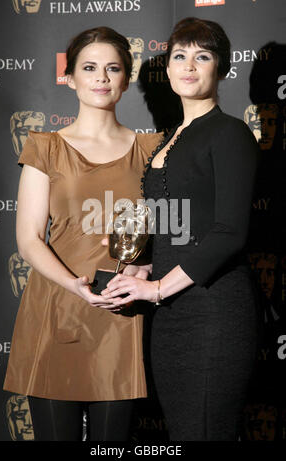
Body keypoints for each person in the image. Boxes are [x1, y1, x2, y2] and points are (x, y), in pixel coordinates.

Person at [102, 17, 260, 441]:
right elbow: (181, 226)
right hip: (170, 315)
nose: (190, 66)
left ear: (220, 68)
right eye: (180, 56)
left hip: (215, 312)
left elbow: (228, 232)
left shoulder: (230, 133)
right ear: (168, 69)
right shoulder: (170, 137)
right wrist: (143, 269)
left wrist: (155, 289)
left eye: (202, 56)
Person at [3, 26, 162, 441]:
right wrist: (73, 285)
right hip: (56, 308)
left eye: (113, 68)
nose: (101, 78)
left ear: (126, 79)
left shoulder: (153, 149)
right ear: (69, 77)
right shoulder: (46, 147)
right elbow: (29, 238)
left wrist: (145, 266)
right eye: (89, 68)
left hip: (121, 318)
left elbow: (168, 230)